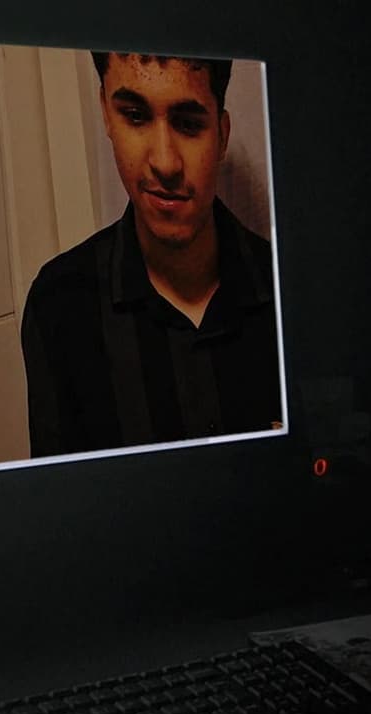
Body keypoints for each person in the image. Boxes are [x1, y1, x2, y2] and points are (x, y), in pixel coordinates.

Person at [20, 52, 282, 458]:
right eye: (135, 116)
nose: (164, 162)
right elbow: (63, 494)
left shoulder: (291, 295)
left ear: (222, 133)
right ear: (106, 115)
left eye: (189, 124)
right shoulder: (60, 306)